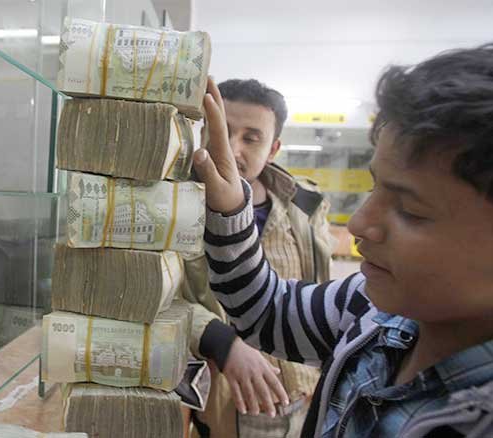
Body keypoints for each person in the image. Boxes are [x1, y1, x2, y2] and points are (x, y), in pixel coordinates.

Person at [193, 43, 493, 437]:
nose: (358, 223)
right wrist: (231, 208)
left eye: (410, 210)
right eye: (374, 187)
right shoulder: (368, 308)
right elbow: (267, 310)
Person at [182, 79, 334, 438]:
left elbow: (319, 291)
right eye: (222, 131)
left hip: (304, 400)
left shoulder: (305, 206)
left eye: (251, 138)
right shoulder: (172, 206)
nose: (232, 149)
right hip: (222, 405)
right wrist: (221, 341)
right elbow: (158, 296)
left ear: (273, 148)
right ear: (203, 131)